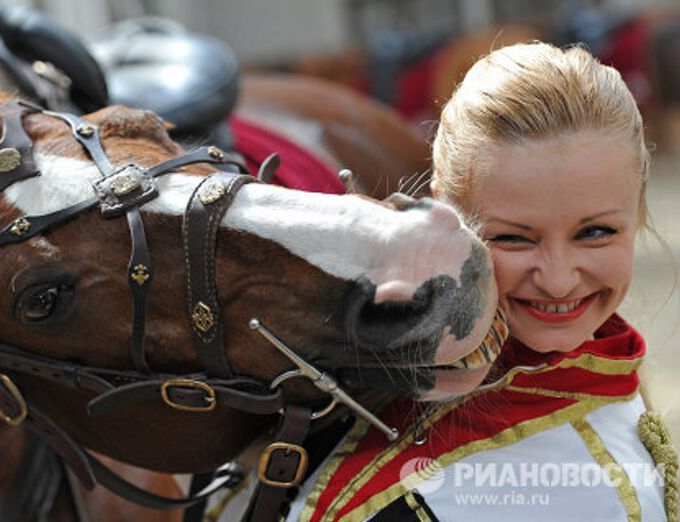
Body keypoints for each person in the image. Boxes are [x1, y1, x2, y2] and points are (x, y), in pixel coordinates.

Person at [205, 42, 677, 522]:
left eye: (595, 233)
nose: (557, 281)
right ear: (444, 215)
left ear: (637, 210)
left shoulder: (600, 492)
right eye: (513, 239)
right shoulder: (326, 350)